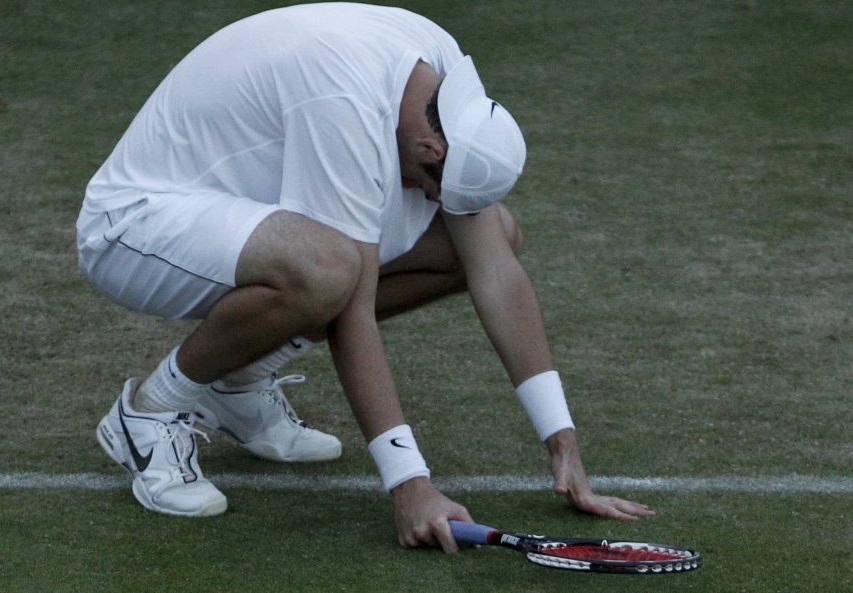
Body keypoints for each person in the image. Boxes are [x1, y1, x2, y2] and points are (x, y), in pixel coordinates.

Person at [76, 3, 654, 553]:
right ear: (431, 146)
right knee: (326, 269)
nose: (429, 200)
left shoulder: (440, 77)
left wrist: (563, 441)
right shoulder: (343, 99)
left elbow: (495, 269)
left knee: (492, 233)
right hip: (136, 224)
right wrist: (410, 484)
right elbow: (352, 305)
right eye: (433, 187)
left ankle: (240, 383)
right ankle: (150, 410)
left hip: (239, 211)